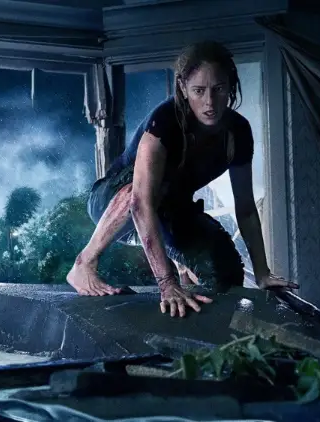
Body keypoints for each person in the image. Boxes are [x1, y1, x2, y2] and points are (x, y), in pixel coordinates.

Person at [66, 40, 299, 318]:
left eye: (218, 89)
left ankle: (187, 276)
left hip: (169, 211)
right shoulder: (164, 121)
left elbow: (246, 208)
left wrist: (262, 272)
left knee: (225, 268)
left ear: (230, 85)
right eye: (199, 91)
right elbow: (140, 203)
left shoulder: (238, 131)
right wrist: (167, 284)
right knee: (144, 192)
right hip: (113, 201)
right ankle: (84, 263)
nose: (209, 102)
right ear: (183, 88)